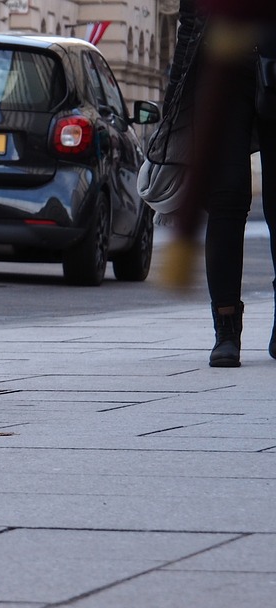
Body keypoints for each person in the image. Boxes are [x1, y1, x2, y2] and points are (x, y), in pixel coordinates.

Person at [161, 0, 276, 366]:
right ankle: (226, 330)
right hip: (224, 67)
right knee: (226, 198)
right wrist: (173, 101)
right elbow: (191, 21)